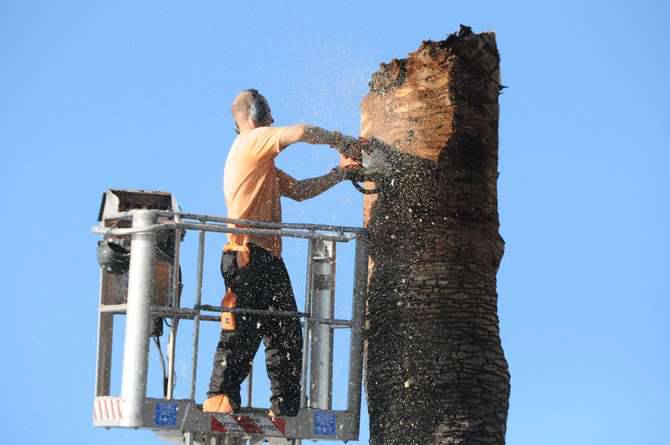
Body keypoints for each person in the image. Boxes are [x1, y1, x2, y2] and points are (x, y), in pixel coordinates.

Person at [203, 89, 364, 418]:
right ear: (252, 115)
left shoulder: (264, 166)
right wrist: (341, 140)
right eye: (267, 110)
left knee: (286, 334)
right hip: (245, 253)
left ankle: (285, 407)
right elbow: (302, 132)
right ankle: (219, 396)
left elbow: (301, 192)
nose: (273, 118)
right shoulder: (252, 142)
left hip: (268, 258)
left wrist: (341, 173)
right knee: (242, 330)